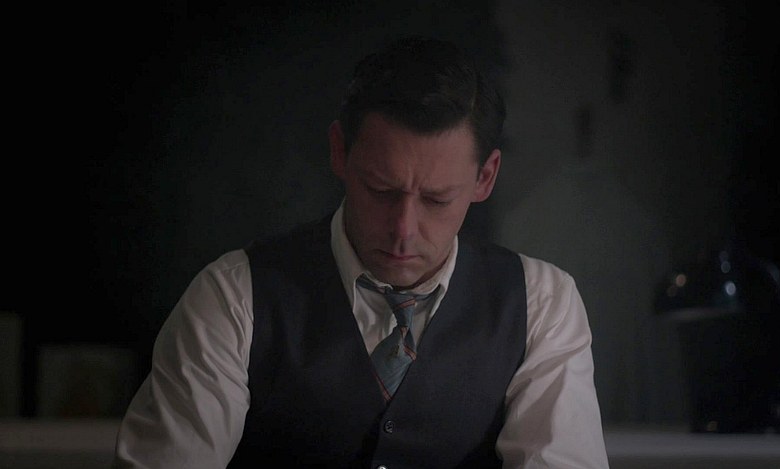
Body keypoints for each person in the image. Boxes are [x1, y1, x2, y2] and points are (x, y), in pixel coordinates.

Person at [113, 35, 610, 468]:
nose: (403, 231)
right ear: (339, 151)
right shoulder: (233, 297)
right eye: (380, 190)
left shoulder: (542, 304)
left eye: (437, 199)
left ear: (485, 177)